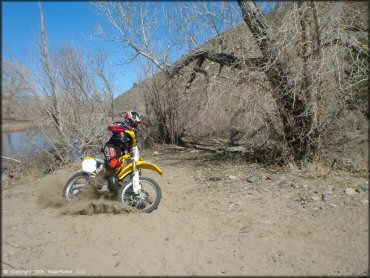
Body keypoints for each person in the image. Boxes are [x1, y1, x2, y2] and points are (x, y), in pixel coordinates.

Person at [102, 111, 141, 191]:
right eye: (134, 123)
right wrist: (121, 130)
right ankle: (103, 182)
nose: (135, 125)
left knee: (124, 168)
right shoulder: (121, 125)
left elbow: (133, 146)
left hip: (121, 152)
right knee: (113, 164)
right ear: (128, 121)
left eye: (136, 124)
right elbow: (110, 126)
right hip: (111, 147)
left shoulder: (133, 133)